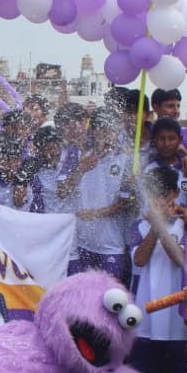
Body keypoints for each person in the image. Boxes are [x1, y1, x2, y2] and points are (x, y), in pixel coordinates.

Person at [128, 167, 187, 373]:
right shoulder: (139, 226)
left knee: (181, 366)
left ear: (175, 193)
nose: (156, 201)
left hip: (176, 303)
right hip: (146, 303)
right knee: (140, 369)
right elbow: (139, 259)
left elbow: (180, 259)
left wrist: (161, 225)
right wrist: (156, 226)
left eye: (162, 194)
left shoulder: (186, 223)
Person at [72, 109, 135, 280]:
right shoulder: (81, 155)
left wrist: (95, 213)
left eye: (110, 128)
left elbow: (125, 203)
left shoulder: (126, 160)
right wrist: (79, 170)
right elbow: (63, 191)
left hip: (111, 245)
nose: (106, 133)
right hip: (83, 243)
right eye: (101, 128)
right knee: (84, 294)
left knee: (111, 293)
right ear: (93, 130)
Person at [0, 133, 41, 212]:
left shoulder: (30, 182)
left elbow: (38, 213)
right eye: (8, 159)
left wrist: (21, 183)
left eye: (16, 159)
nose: (13, 164)